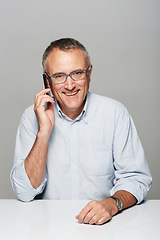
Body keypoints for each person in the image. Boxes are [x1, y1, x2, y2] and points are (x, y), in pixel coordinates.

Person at [10, 38, 152, 225]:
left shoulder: (115, 113)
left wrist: (112, 204)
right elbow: (25, 192)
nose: (70, 85)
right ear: (47, 81)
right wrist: (43, 133)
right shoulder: (32, 117)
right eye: (59, 76)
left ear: (89, 73)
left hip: (106, 227)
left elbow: (136, 179)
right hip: (48, 227)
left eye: (77, 73)